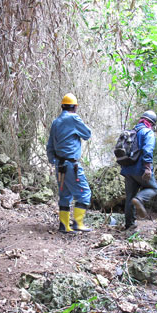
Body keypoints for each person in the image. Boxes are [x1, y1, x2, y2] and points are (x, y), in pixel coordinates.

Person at [46, 93, 92, 233]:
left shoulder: (56, 121)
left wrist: (53, 161)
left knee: (65, 194)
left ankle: (64, 225)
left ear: (62, 106)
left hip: (59, 165)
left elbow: (49, 146)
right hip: (72, 165)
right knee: (84, 193)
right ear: (75, 107)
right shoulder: (73, 118)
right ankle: (78, 223)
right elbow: (87, 134)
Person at [120, 110, 157, 230]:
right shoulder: (148, 132)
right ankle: (140, 199)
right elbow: (148, 150)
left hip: (127, 170)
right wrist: (147, 168)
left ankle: (129, 224)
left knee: (129, 196)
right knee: (153, 188)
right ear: (151, 123)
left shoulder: (131, 132)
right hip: (140, 169)